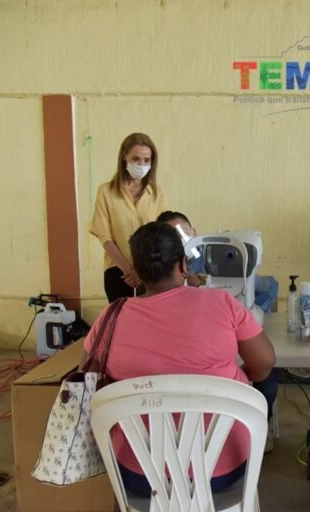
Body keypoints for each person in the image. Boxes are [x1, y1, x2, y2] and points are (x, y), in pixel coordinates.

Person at [81, 221, 277, 496]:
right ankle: (261, 441)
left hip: (137, 475)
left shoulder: (111, 317)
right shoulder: (221, 303)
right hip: (222, 470)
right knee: (268, 380)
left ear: (135, 272)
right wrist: (237, 376)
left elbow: (88, 373)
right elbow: (265, 362)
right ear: (184, 265)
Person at [90, 133, 167, 303]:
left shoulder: (156, 193)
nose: (141, 164)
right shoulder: (105, 191)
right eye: (136, 159)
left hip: (150, 270)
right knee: (121, 323)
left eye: (146, 160)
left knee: (148, 324)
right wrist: (128, 270)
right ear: (124, 157)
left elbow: (160, 234)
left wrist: (141, 270)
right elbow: (105, 236)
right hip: (117, 270)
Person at [156, 210, 280, 313]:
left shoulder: (212, 253)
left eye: (184, 231)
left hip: (225, 315)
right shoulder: (160, 264)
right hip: (191, 318)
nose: (181, 237)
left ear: (194, 232)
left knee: (268, 285)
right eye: (173, 234)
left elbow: (268, 286)